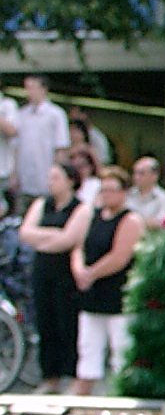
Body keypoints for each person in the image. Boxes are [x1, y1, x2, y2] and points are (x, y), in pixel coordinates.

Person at [70, 167, 144, 394]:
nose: (107, 195)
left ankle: (122, 395)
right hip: (92, 295)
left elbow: (120, 256)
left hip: (117, 296)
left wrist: (92, 273)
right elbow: (79, 246)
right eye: (104, 190)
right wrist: (80, 269)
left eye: (112, 190)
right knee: (88, 349)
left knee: (121, 351)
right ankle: (82, 396)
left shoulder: (130, 220)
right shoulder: (93, 217)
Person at [19, 161, 89, 392]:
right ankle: (49, 375)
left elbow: (68, 239)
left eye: (56, 177)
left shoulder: (81, 208)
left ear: (70, 180)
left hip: (65, 271)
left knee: (66, 322)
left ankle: (70, 372)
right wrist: (52, 235)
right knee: (45, 321)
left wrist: (45, 239)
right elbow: (26, 233)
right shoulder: (42, 204)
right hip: (42, 268)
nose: (51, 183)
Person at [14, 75, 69, 208]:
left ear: (43, 89)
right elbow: (16, 147)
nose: (29, 92)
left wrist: (56, 175)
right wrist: (15, 174)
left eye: (33, 87)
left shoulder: (56, 114)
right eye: (27, 88)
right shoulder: (21, 114)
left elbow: (60, 147)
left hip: (46, 177)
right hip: (25, 178)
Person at [127, 157, 165, 227]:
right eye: (135, 173)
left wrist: (134, 222)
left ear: (154, 176)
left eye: (141, 173)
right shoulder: (127, 195)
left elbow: (162, 224)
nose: (136, 177)